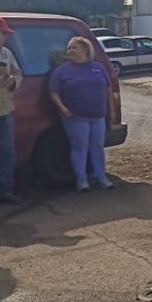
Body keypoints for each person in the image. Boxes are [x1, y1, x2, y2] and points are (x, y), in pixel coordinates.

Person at [48, 37, 115, 192]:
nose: (70, 50)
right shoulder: (63, 70)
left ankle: (100, 176)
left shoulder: (98, 67)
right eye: (69, 48)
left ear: (85, 50)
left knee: (97, 147)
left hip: (98, 116)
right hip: (75, 117)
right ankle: (81, 179)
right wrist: (62, 108)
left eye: (74, 47)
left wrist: (111, 111)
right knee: (80, 147)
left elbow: (108, 90)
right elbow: (53, 91)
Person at [0, 15, 23, 204]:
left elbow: (18, 73)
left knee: (6, 151)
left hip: (4, 109)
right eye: (1, 33)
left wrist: (13, 81)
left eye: (4, 34)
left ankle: (5, 190)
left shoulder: (6, 53)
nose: (4, 37)